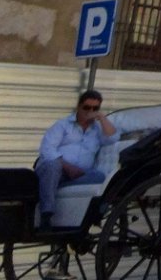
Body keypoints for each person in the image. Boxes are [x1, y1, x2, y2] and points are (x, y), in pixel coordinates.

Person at [37, 90, 118, 227]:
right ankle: (47, 214)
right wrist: (68, 167)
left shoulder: (98, 129)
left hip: (80, 174)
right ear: (79, 107)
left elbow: (113, 138)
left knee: (99, 176)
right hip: (59, 168)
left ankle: (90, 214)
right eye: (86, 107)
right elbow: (47, 149)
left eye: (95, 108)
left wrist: (102, 117)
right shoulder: (62, 125)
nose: (90, 111)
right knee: (52, 166)